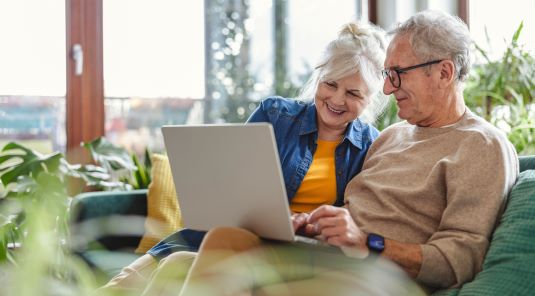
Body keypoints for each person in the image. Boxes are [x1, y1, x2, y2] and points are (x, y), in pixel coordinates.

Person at [167, 10, 519, 296]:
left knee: (222, 259)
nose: (385, 88)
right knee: (191, 256)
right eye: (386, 74)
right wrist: (315, 224)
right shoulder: (390, 137)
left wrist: (368, 243)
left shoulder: (482, 145)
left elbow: (460, 259)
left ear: (444, 72)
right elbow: (352, 213)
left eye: (397, 74)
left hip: (379, 277)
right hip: (327, 256)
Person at [98, 20, 389, 295]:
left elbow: (356, 222)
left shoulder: (371, 146)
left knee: (174, 268)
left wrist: (310, 225)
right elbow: (230, 187)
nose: (337, 99)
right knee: (122, 285)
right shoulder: (276, 115)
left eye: (353, 93)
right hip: (224, 234)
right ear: (318, 79)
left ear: (371, 98)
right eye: (330, 84)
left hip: (293, 250)